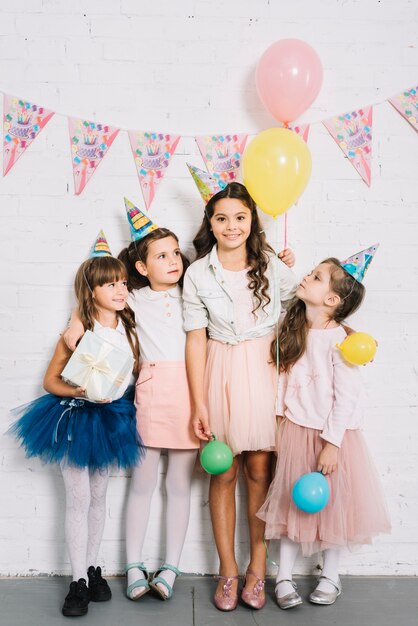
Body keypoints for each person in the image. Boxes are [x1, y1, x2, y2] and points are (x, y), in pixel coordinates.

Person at [64, 201, 200, 602]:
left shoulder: (194, 293)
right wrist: (74, 323)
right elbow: (91, 312)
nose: (173, 261)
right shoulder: (132, 300)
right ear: (141, 268)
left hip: (190, 394)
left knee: (179, 486)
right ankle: (134, 563)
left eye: (176, 253)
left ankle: (171, 564)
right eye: (161, 255)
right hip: (151, 394)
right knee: (141, 484)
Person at [9, 232, 142, 617]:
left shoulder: (131, 329)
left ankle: (95, 569)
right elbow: (50, 382)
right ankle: (77, 579)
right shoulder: (76, 333)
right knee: (79, 498)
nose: (119, 289)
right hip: (77, 418)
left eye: (121, 282)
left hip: (112, 420)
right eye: (108, 283)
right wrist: (82, 391)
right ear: (92, 290)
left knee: (100, 496)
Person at [182, 181, 297, 611]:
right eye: (222, 218)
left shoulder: (270, 265)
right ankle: (228, 570)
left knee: (259, 470)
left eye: (240, 217)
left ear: (252, 221)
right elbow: (195, 340)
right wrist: (199, 402)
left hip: (264, 370)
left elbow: (300, 307)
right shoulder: (197, 273)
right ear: (210, 224)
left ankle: (257, 568)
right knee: (222, 471)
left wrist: (289, 265)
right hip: (220, 370)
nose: (232, 226)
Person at [257, 246, 391, 610]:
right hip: (297, 430)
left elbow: (345, 398)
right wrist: (279, 417)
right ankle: (283, 575)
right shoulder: (294, 325)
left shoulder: (342, 342)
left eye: (315, 277)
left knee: (332, 507)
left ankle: (331, 574)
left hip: (333, 437)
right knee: (289, 504)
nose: (307, 277)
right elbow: (283, 376)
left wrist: (331, 443)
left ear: (331, 299)